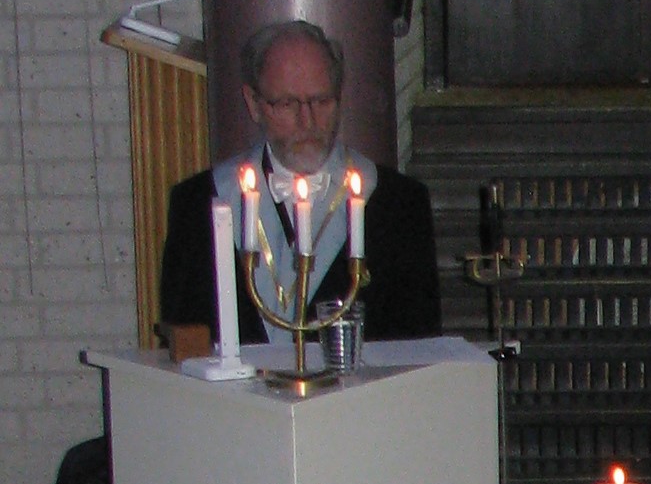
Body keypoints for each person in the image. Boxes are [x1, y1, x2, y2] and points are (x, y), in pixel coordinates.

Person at [160, 19, 441, 349]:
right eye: (287, 104)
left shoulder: (400, 206)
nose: (307, 121)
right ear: (253, 103)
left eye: (321, 101)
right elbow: (183, 341)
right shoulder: (200, 204)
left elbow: (419, 347)